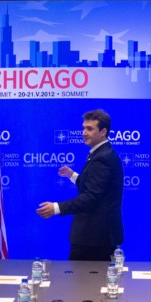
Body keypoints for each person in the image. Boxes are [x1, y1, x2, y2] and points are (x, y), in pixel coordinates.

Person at [37, 109, 124, 261]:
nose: (84, 133)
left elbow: (91, 197)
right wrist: (73, 175)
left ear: (103, 132)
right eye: (84, 128)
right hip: (95, 238)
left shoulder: (102, 158)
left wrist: (56, 208)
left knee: (82, 277)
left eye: (89, 129)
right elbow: (96, 187)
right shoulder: (102, 153)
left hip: (94, 240)